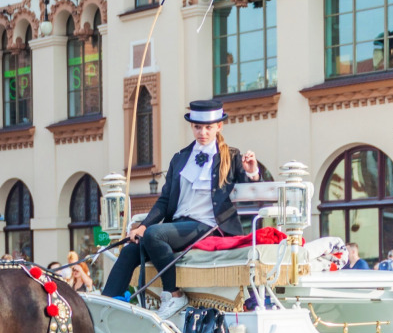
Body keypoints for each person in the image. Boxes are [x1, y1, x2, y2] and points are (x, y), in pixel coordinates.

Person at [102, 99, 268, 318]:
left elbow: (254, 192)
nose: (203, 132)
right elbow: (164, 201)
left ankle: (174, 295)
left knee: (155, 234)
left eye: (208, 127)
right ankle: (106, 306)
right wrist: (142, 226)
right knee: (132, 248)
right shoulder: (180, 158)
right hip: (179, 225)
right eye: (198, 127)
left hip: (209, 225)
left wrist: (252, 171)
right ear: (192, 127)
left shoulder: (232, 156)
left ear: (219, 126)